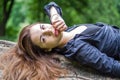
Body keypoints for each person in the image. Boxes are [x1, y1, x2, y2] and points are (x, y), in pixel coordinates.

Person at [0, 1, 120, 80]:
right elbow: (112, 67)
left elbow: (50, 5)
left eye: (42, 26)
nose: (49, 31)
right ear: (47, 49)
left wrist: (54, 15)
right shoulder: (78, 49)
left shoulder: (68, 31)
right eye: (43, 38)